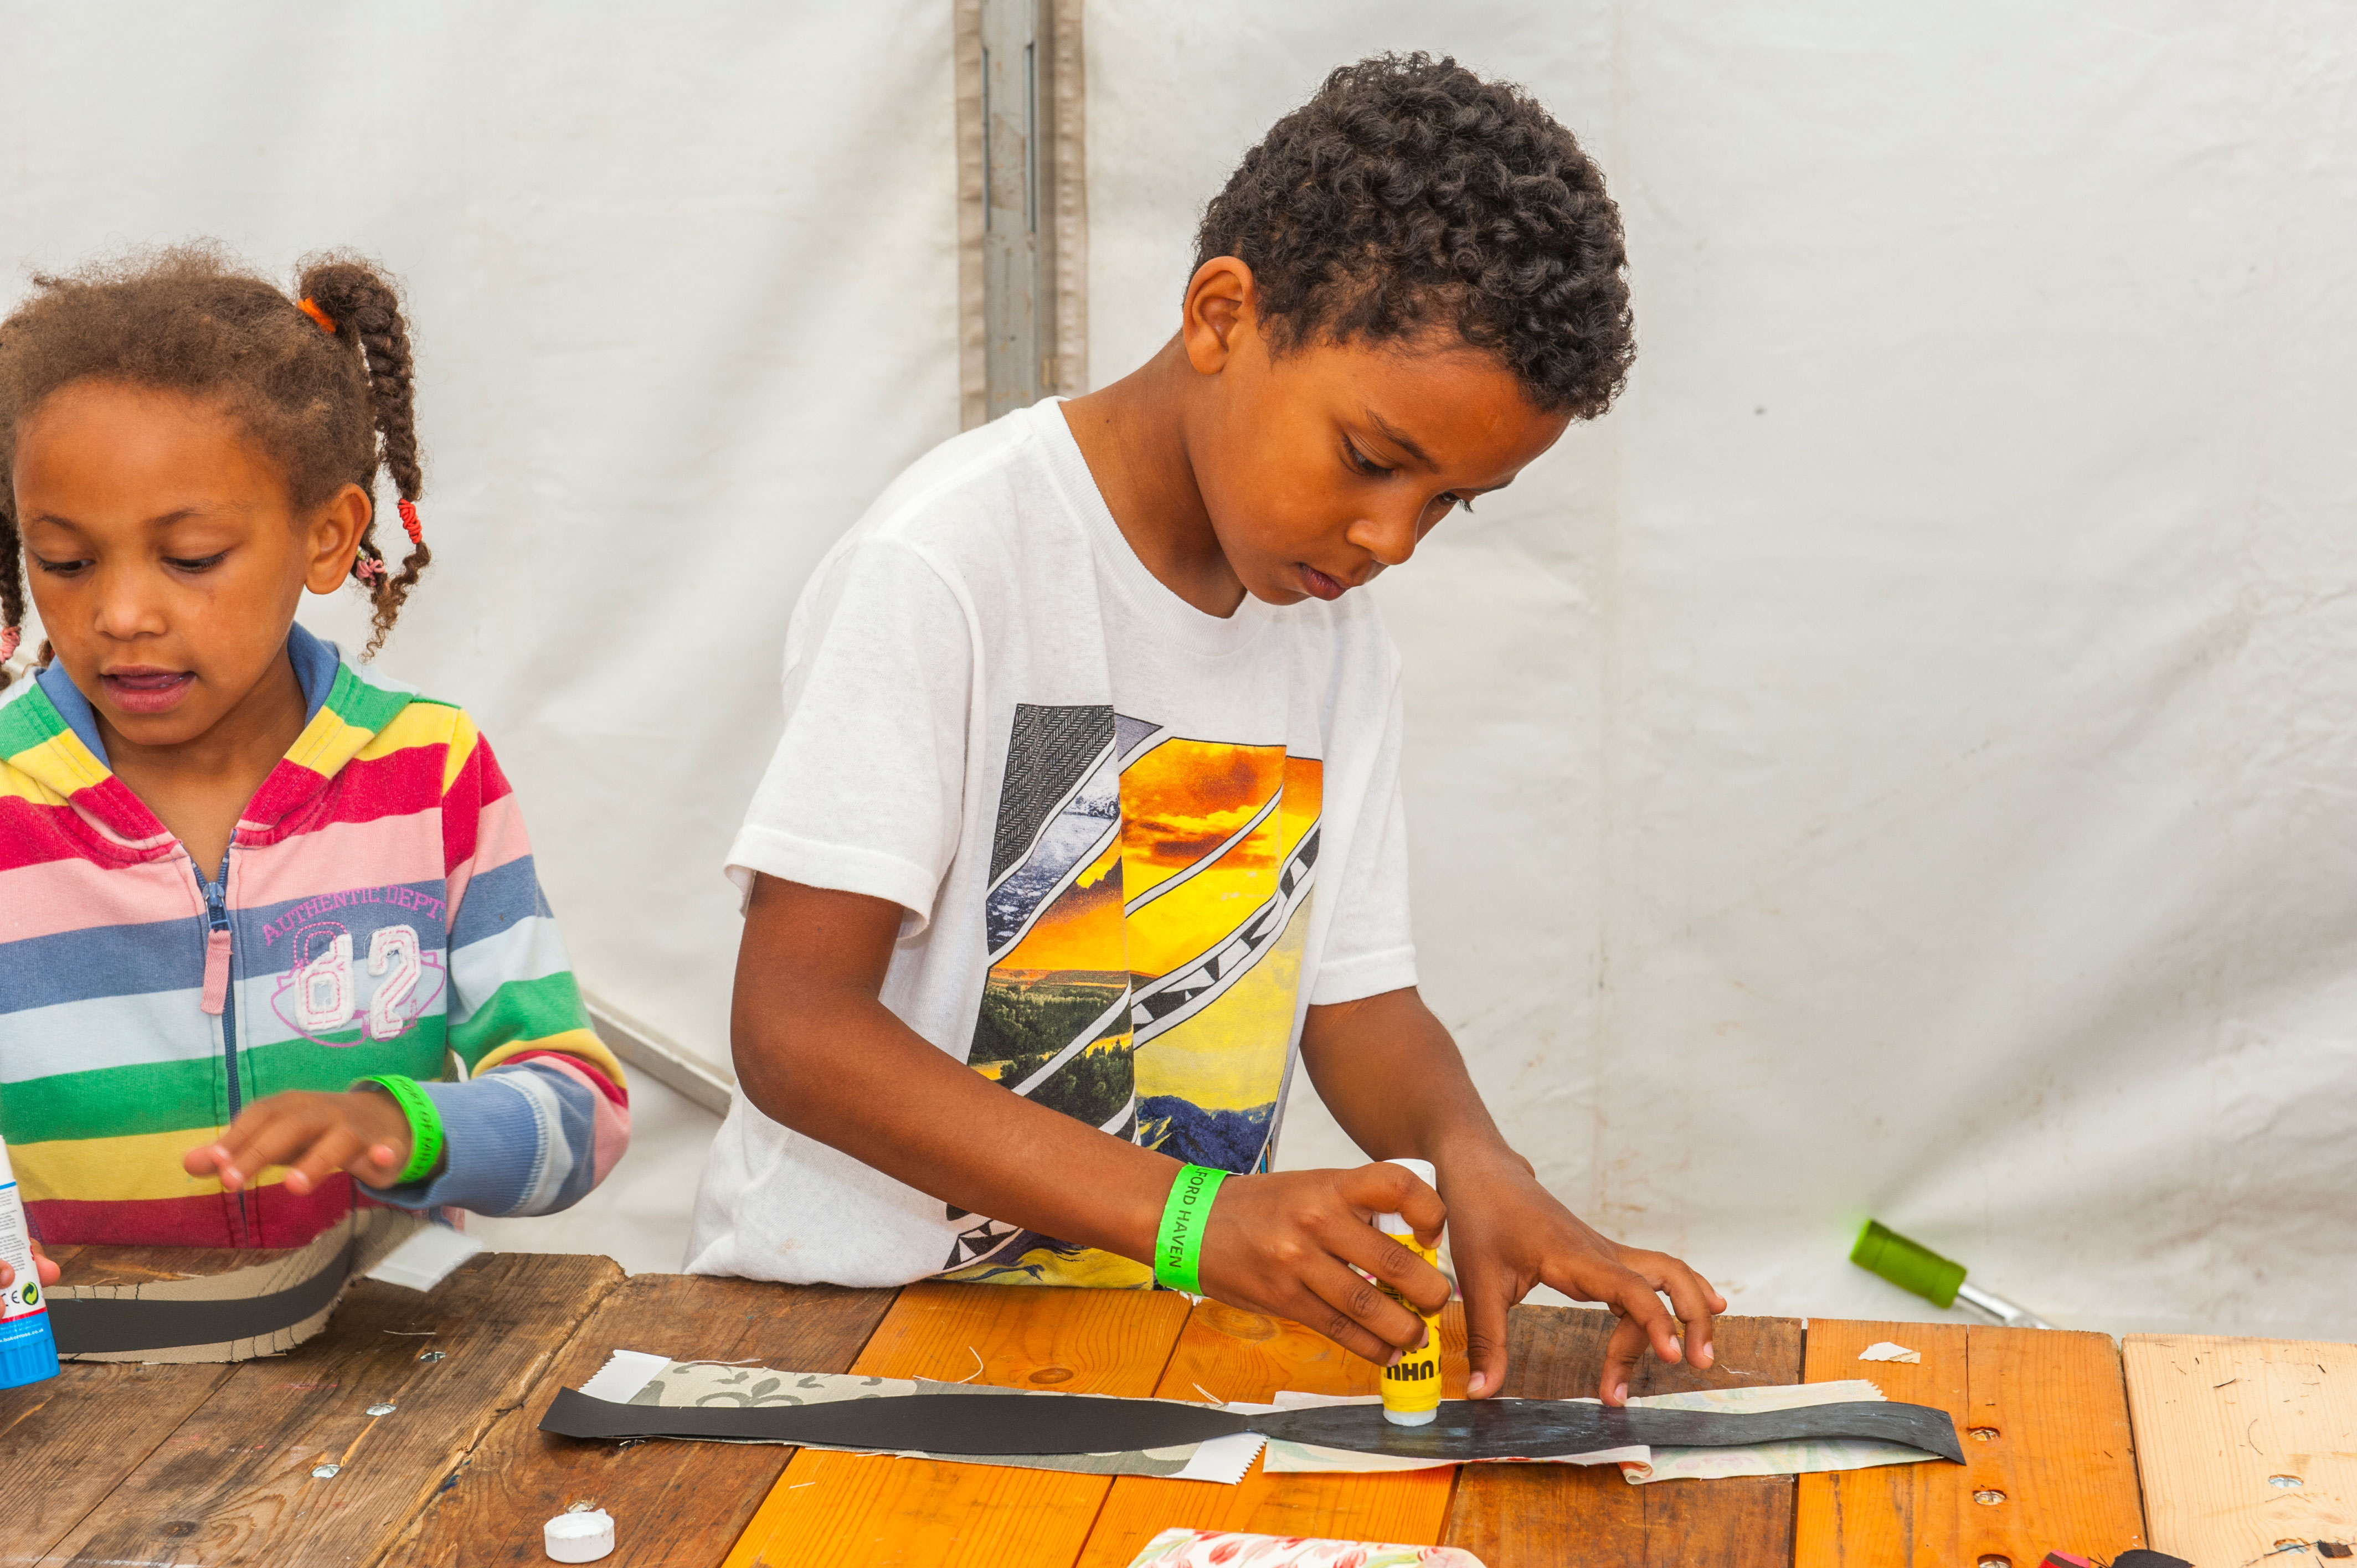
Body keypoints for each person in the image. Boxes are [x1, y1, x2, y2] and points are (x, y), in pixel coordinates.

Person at [689, 53, 1718, 1404]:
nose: (1392, 540)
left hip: (1136, 1357)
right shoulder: (949, 562)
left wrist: (1477, 1161)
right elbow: (793, 1028)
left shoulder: (1335, 640)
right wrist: (1190, 1216)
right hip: (845, 1345)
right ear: (1223, 315)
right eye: (1372, 460)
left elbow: (1358, 1003)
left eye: (1449, 503)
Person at [0, 249, 629, 1291]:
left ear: (329, 537)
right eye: (64, 561)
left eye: (191, 557)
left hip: (383, 1365)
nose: (120, 614)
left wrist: (405, 1126)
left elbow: (580, 1113)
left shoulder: (428, 773)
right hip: (76, 1382)